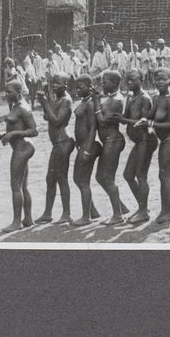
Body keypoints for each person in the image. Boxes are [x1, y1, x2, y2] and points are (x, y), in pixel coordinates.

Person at [112, 69, 158, 224]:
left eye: (133, 80)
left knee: (140, 175)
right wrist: (117, 117)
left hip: (146, 140)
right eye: (128, 80)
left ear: (141, 79)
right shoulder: (130, 97)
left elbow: (145, 122)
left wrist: (125, 120)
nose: (129, 82)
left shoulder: (145, 98)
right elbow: (125, 118)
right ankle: (142, 207)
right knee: (128, 175)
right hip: (139, 142)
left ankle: (144, 211)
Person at [35, 73, 75, 224]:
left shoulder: (66, 100)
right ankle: (47, 213)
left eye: (58, 83)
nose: (55, 86)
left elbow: (57, 121)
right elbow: (48, 116)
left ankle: (66, 214)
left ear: (66, 84)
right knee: (50, 178)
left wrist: (45, 104)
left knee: (61, 178)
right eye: (53, 84)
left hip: (63, 142)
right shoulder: (57, 99)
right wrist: (45, 102)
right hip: (57, 144)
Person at [0, 80, 38, 231]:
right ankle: (28, 218)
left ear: (19, 92)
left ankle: (16, 222)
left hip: (22, 148)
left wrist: (13, 134)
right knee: (23, 185)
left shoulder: (23, 108)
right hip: (21, 147)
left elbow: (34, 130)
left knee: (15, 185)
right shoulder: (16, 105)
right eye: (6, 91)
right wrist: (5, 134)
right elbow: (16, 125)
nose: (7, 94)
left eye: (9, 92)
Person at [92, 70, 129, 224]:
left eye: (105, 82)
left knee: (107, 177)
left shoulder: (117, 100)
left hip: (113, 141)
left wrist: (95, 101)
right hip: (109, 141)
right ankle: (120, 207)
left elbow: (102, 121)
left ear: (114, 83)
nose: (102, 84)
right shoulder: (111, 97)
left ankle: (117, 215)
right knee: (100, 177)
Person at [148, 67, 170, 223]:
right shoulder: (157, 98)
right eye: (157, 79)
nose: (159, 82)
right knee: (163, 174)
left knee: (165, 174)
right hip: (166, 140)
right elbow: (150, 115)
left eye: (163, 79)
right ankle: (167, 209)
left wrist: (150, 123)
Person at [71, 74, 102, 226]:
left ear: (90, 87)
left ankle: (86, 217)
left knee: (81, 180)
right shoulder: (84, 101)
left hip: (89, 145)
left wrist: (87, 150)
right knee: (80, 179)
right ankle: (93, 211)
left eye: (81, 87)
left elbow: (93, 128)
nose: (77, 90)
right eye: (76, 87)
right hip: (83, 145)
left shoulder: (90, 104)